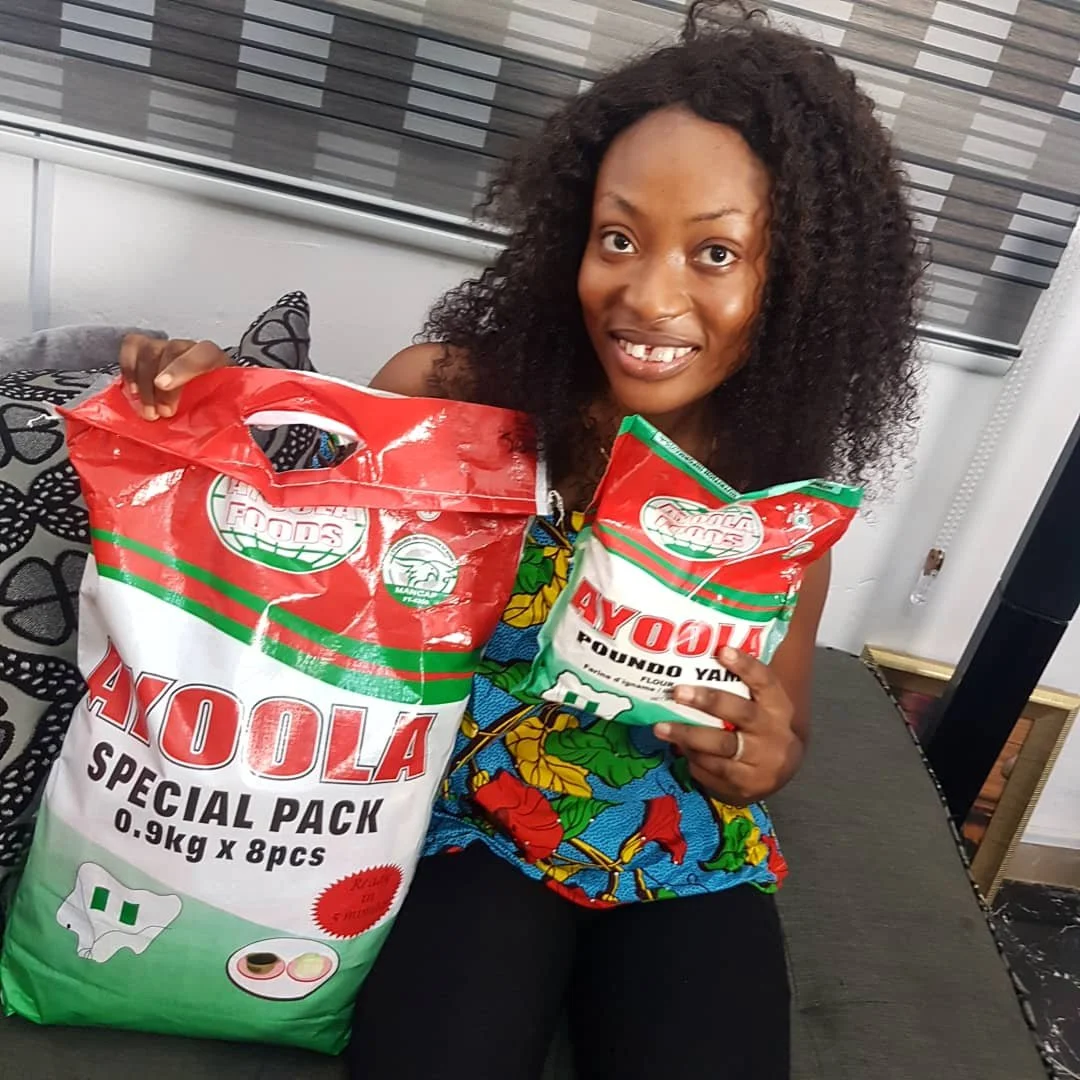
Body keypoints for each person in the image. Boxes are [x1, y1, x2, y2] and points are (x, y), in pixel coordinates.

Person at [119, 2, 921, 1076]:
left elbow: (777, 749)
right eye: (620, 237)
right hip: (467, 832)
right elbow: (289, 545)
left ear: (800, 287)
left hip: (679, 855)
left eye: (716, 252)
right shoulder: (448, 399)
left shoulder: (772, 512)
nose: (647, 294)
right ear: (570, 234)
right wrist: (211, 413)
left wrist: (758, 752)